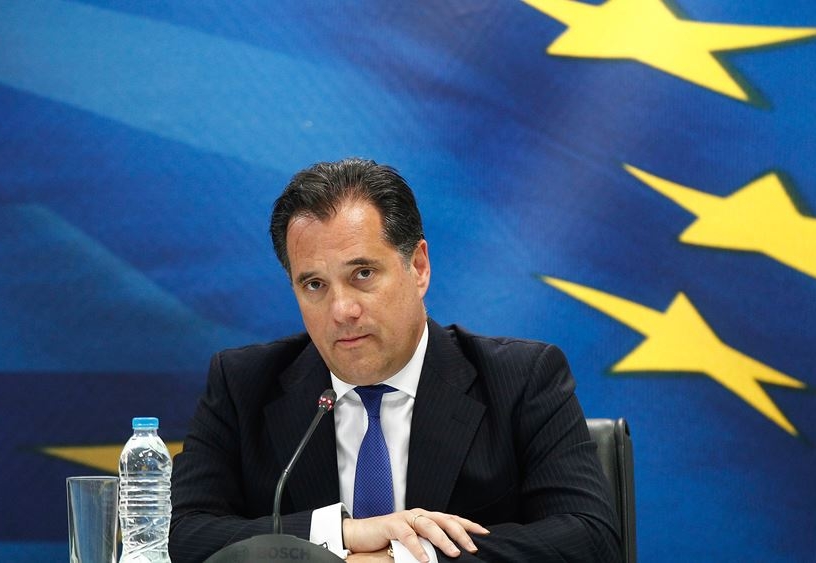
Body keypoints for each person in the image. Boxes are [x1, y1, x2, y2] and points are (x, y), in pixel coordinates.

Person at [169, 158, 621, 562]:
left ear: (418, 267)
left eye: (362, 273)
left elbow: (590, 540)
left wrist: (401, 558)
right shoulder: (243, 385)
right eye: (314, 285)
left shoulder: (521, 379)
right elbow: (179, 537)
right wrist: (341, 535)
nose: (341, 310)